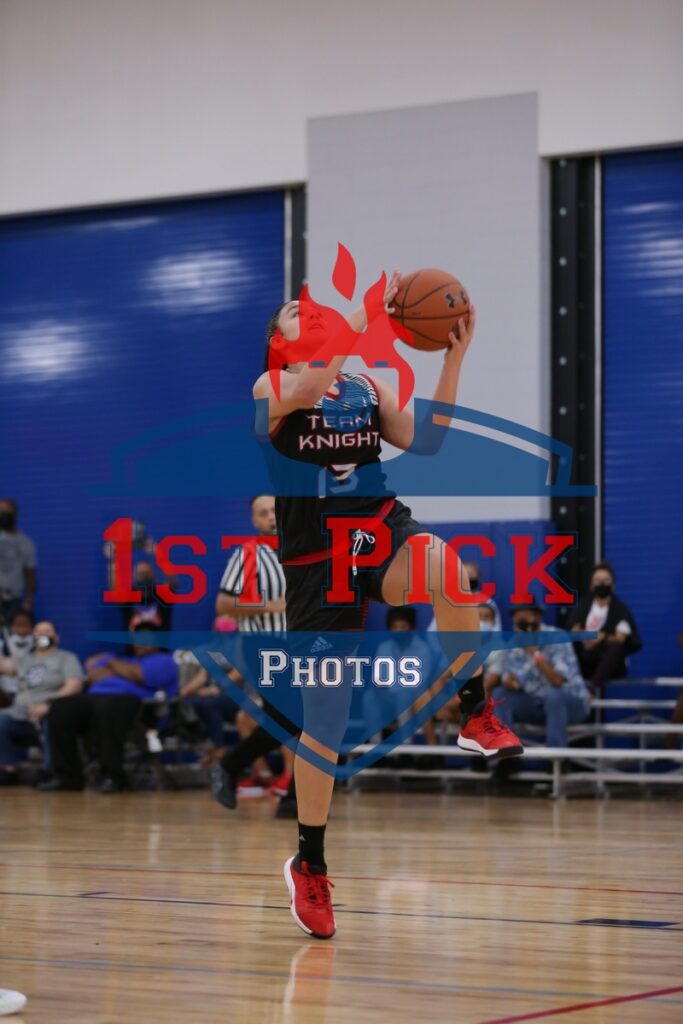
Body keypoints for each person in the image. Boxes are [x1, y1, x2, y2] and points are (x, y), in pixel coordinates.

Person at [254, 275, 523, 939]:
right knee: (325, 725)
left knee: (451, 572)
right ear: (276, 339)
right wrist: (363, 313)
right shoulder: (271, 389)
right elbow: (311, 387)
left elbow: (425, 441)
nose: (308, 312)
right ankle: (309, 862)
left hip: (378, 530)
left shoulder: (366, 386)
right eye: (295, 312)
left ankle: (474, 711)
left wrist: (453, 361)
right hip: (317, 566)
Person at [40, 622, 178, 793]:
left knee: (109, 707)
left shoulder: (164, 661)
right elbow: (94, 675)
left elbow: (142, 675)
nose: (140, 643)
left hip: (139, 707)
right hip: (96, 699)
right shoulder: (126, 660)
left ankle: (113, 776)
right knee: (61, 707)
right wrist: (124, 670)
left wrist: (111, 663)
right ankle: (67, 776)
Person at [491, 603, 591, 748]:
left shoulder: (557, 637)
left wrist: (535, 653)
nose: (520, 623)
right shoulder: (515, 643)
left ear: (537, 617)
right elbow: (510, 680)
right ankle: (506, 751)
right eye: (517, 620)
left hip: (571, 703)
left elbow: (557, 681)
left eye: (524, 618)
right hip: (537, 704)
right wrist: (510, 681)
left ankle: (556, 755)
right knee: (499, 694)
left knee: (554, 696)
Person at [0, 620, 83, 784]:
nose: (42, 635)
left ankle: (48, 770)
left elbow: (74, 685)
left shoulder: (66, 658)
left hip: (51, 711)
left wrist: (48, 705)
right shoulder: (24, 659)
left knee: (54, 721)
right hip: (21, 714)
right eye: (38, 632)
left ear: (56, 637)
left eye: (47, 631)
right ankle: (8, 768)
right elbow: (4, 667)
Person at [568, 561, 641, 691]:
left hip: (610, 665)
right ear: (591, 585)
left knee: (616, 647)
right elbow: (574, 630)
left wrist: (602, 637)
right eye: (598, 580)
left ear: (613, 585)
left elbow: (620, 638)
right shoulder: (583, 605)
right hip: (586, 661)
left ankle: (591, 688)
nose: (602, 584)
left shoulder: (620, 609)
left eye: (606, 581)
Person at [0, 498, 37, 626]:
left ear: (15, 514)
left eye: (6, 511)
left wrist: (28, 600)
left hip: (13, 598)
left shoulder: (25, 542)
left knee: (12, 632)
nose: (3, 515)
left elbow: (30, 573)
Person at [0, 609, 35, 705]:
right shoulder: (4, 642)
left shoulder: (37, 643)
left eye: (25, 624)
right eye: (18, 624)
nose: (22, 628)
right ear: (11, 626)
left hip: (30, 690)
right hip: (8, 689)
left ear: (32, 626)